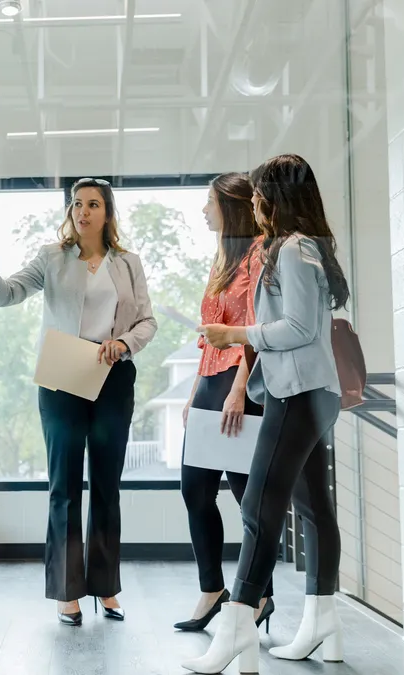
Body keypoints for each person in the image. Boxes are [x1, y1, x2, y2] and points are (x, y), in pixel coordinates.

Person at [0, 177, 157, 627]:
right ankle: (67, 593)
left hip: (113, 379)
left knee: (106, 488)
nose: (82, 211)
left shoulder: (128, 263)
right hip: (62, 381)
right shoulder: (51, 257)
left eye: (93, 204)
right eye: (76, 203)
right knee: (64, 487)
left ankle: (106, 588)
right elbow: (6, 295)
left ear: (108, 213)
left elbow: (147, 322)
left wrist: (122, 344)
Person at [182, 154, 350, 674]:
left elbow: (298, 328)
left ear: (273, 198)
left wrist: (236, 335)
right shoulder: (298, 248)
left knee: (257, 506)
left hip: (297, 393)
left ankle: (237, 626)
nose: (253, 202)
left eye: (257, 193)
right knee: (312, 506)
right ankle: (323, 620)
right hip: (305, 390)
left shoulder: (294, 250)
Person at [174, 173, 274, 633]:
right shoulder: (221, 258)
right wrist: (195, 394)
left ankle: (260, 593)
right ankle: (212, 588)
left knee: (243, 495)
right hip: (210, 384)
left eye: (208, 203)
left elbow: (252, 326)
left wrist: (239, 388)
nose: (203, 211)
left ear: (228, 206)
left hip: (240, 385)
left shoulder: (258, 254)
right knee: (194, 489)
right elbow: (208, 336)